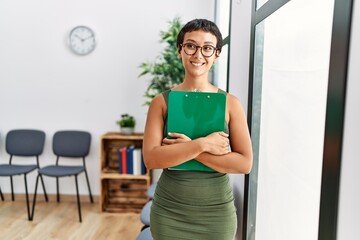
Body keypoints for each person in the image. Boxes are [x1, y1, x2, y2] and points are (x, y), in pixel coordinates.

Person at [142, 18, 253, 240]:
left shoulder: (231, 103)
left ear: (217, 54)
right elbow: (152, 159)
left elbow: (244, 163)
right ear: (180, 50)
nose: (198, 54)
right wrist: (203, 144)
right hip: (169, 212)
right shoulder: (162, 102)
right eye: (191, 46)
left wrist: (188, 149)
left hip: (216, 214)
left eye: (207, 48)